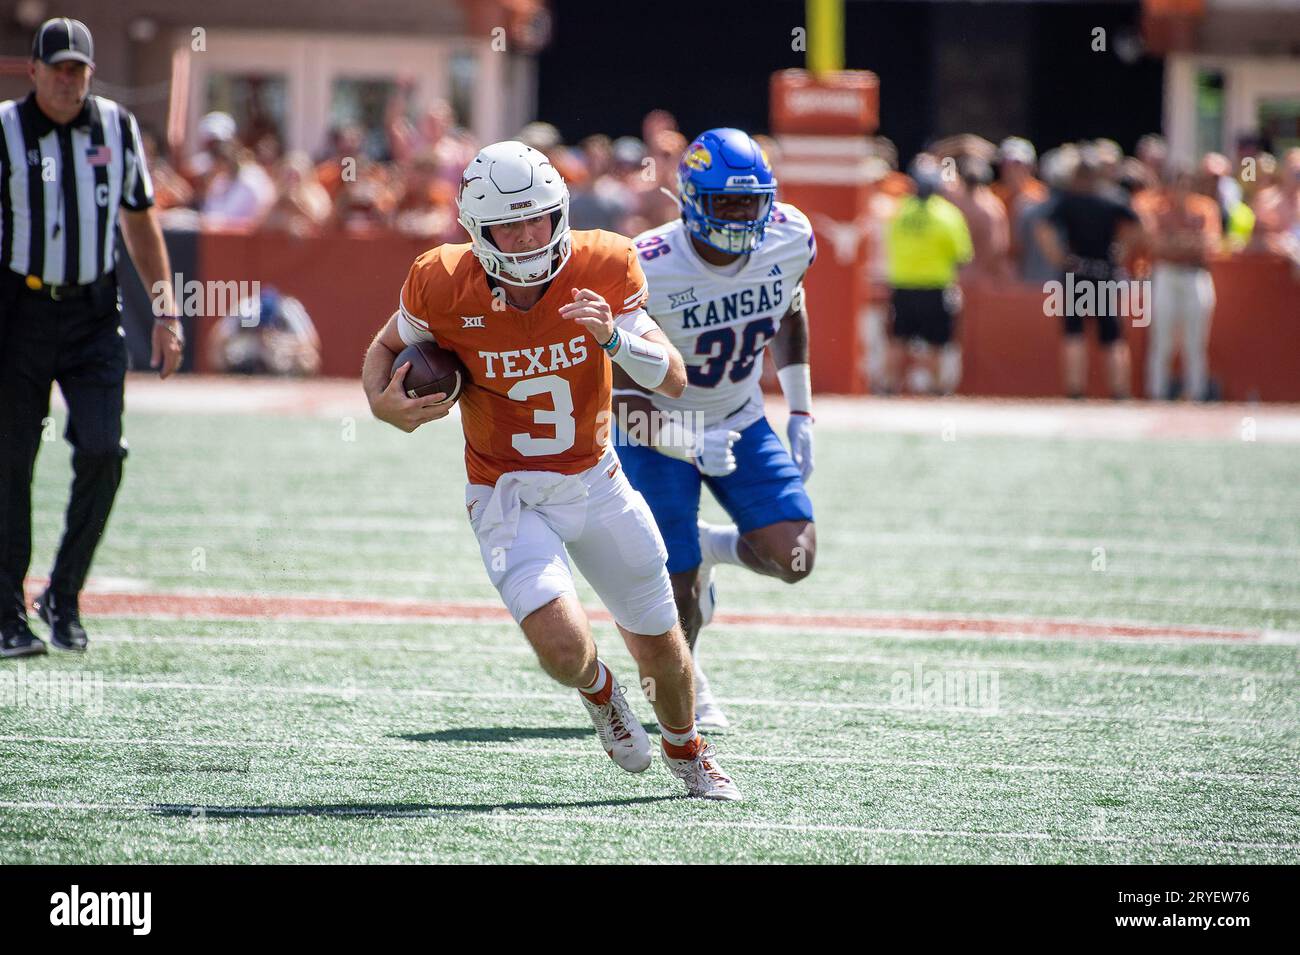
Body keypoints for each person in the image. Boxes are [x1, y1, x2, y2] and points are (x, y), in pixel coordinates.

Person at [360, 141, 740, 800]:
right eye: (512, 223)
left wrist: (614, 340)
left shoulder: (603, 264)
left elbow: (673, 377)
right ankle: (602, 693)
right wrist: (380, 401)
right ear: (479, 231)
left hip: (594, 476)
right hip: (505, 491)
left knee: (661, 643)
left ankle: (687, 749)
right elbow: (388, 345)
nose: (531, 233)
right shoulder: (441, 281)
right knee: (564, 650)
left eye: (540, 215)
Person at [613, 128, 819, 730]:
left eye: (749, 202)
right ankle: (690, 681)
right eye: (725, 202)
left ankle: (714, 547)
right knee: (673, 585)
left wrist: (801, 410)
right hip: (655, 424)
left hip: (737, 413)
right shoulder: (644, 265)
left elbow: (791, 306)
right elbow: (619, 397)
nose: (739, 216)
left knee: (796, 558)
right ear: (691, 199)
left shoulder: (789, 237)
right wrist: (685, 442)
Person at [0, 18, 184, 658]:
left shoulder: (114, 125)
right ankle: (5, 612)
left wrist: (166, 312)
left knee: (104, 451)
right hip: (17, 311)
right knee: (10, 463)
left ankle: (63, 595)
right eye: (58, 69)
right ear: (34, 70)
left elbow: (140, 221)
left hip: (91, 312)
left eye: (79, 70)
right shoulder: (5, 129)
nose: (69, 81)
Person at [1034, 148, 1142, 399]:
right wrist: (1121, 251)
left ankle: (1075, 392)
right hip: (1104, 272)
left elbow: (1042, 227)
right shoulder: (1111, 200)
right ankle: (1119, 393)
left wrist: (1058, 258)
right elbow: (1139, 225)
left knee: (1074, 333)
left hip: (1076, 272)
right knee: (1112, 335)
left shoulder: (1067, 201)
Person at [882, 157, 973, 395]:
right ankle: (935, 390)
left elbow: (889, 244)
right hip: (935, 285)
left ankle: (888, 388)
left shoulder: (899, 211)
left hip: (902, 285)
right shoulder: (948, 215)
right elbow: (962, 255)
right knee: (936, 341)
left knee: (898, 338)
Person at [1138, 164, 1221, 401]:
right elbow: (1155, 245)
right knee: (1162, 340)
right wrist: (1187, 243)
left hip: (1195, 274)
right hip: (1166, 274)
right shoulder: (1156, 208)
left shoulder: (1205, 207)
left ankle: (1196, 394)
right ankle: (1157, 394)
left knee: (1195, 342)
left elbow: (1209, 245)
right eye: (1178, 184)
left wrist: (1176, 241)